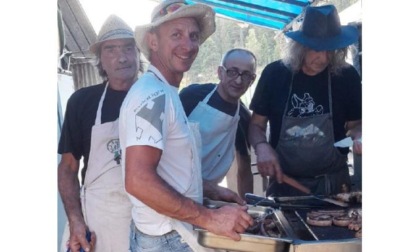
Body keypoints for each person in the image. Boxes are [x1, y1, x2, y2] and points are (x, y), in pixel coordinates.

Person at [119, 1, 253, 251]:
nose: (188, 45)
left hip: (171, 233)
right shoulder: (152, 96)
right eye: (176, 35)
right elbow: (138, 180)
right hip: (165, 239)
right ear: (153, 41)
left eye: (193, 36)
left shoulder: (165, 91)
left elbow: (169, 170)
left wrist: (207, 189)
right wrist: (209, 218)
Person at [248, 5, 362, 197]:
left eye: (330, 50)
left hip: (334, 186)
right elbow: (256, 125)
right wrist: (262, 148)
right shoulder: (275, 74)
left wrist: (359, 137)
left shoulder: (346, 76)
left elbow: (356, 125)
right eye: (317, 49)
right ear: (300, 46)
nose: (324, 58)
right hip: (284, 184)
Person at [58, 15, 143, 252]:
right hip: (97, 221)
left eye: (128, 48)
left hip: (148, 220)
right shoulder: (81, 102)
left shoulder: (154, 99)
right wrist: (76, 220)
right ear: (100, 60)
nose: (122, 57)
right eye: (111, 50)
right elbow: (67, 168)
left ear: (138, 54)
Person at [179, 48, 256, 201]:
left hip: (208, 197)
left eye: (246, 75)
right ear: (220, 72)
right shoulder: (192, 96)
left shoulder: (243, 117)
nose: (239, 80)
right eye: (232, 72)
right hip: (174, 187)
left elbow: (244, 167)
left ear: (252, 80)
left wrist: (247, 206)